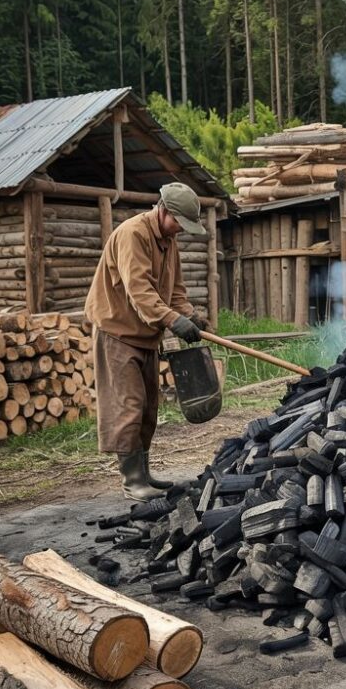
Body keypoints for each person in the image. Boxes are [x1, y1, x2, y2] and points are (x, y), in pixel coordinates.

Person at [85, 183, 210, 501]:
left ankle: (144, 472)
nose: (180, 231)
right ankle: (132, 480)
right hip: (118, 331)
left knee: (149, 407)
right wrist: (171, 320)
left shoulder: (169, 241)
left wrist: (190, 316)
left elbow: (175, 290)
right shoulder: (133, 234)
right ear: (164, 211)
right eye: (179, 223)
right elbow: (139, 290)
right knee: (129, 405)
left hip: (145, 335)